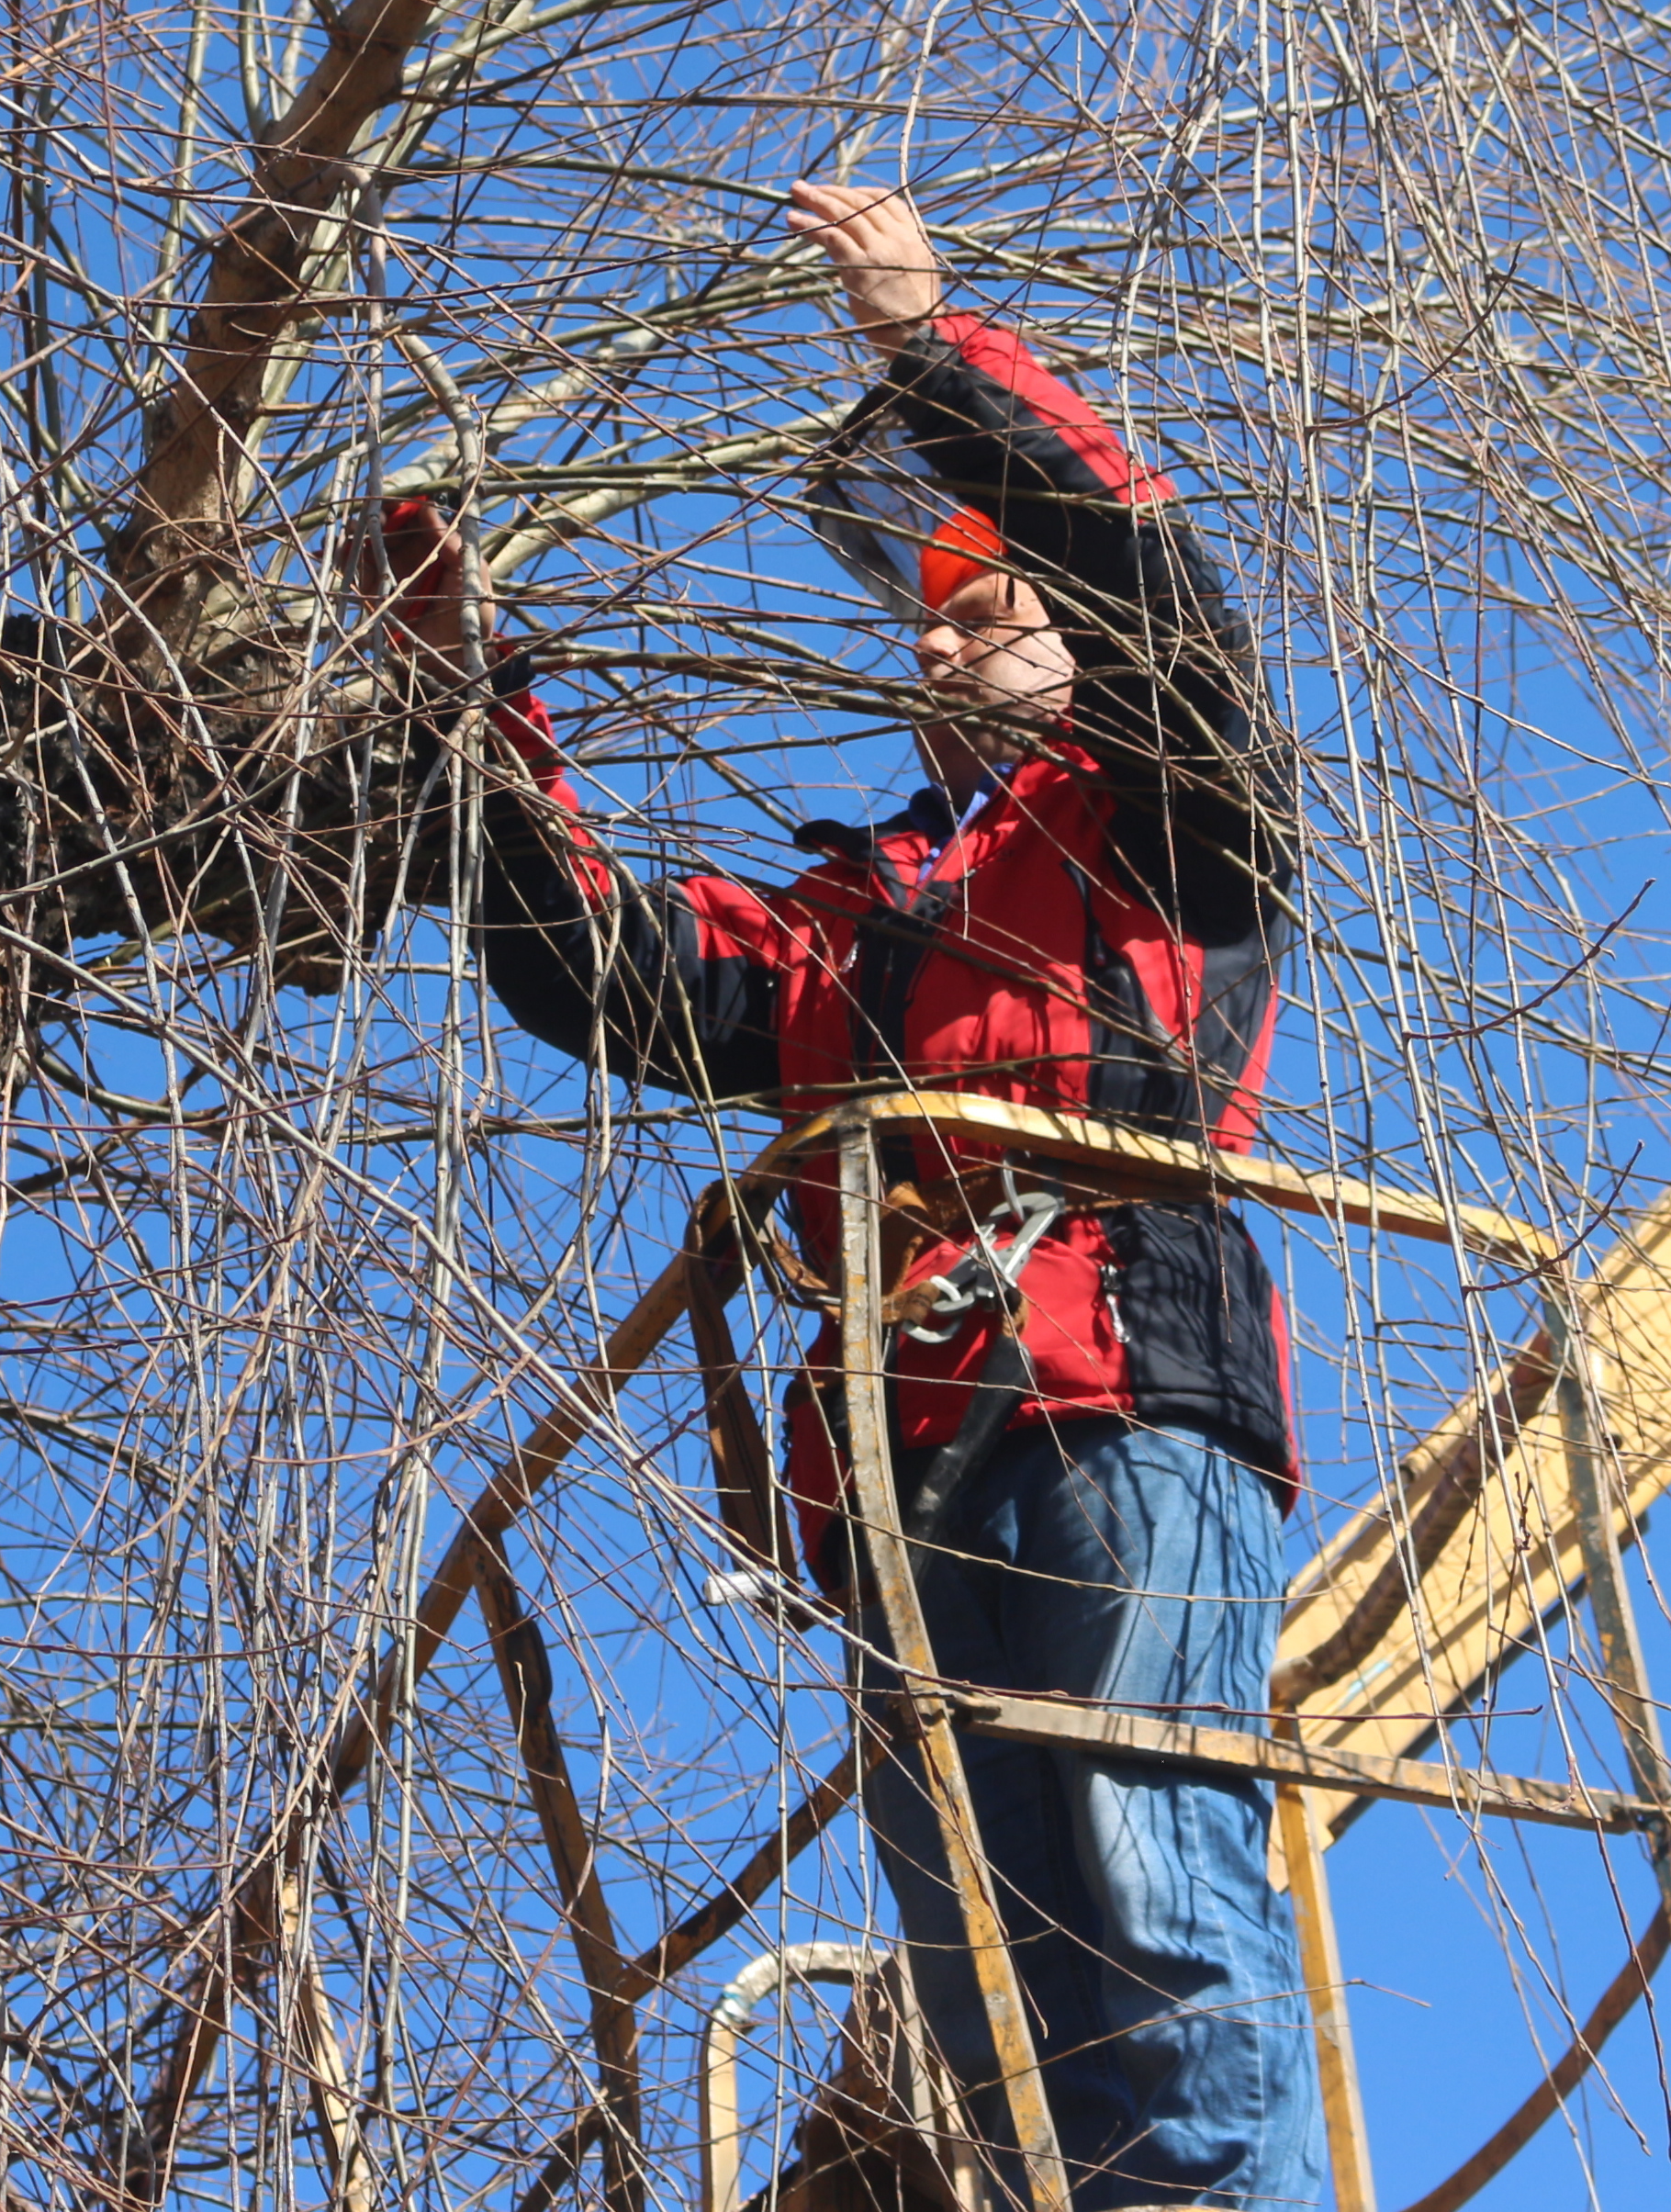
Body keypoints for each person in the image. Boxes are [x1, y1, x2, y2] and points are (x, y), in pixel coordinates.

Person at [365, 178, 1312, 2212]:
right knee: (982, 1968)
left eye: (992, 606)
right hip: (905, 1444)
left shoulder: (1171, 818)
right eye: (934, 620)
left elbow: (1150, 582)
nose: (950, 637)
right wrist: (468, 704)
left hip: (1114, 1382)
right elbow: (601, 965)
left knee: (1150, 1882)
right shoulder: (853, 921)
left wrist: (921, 346)